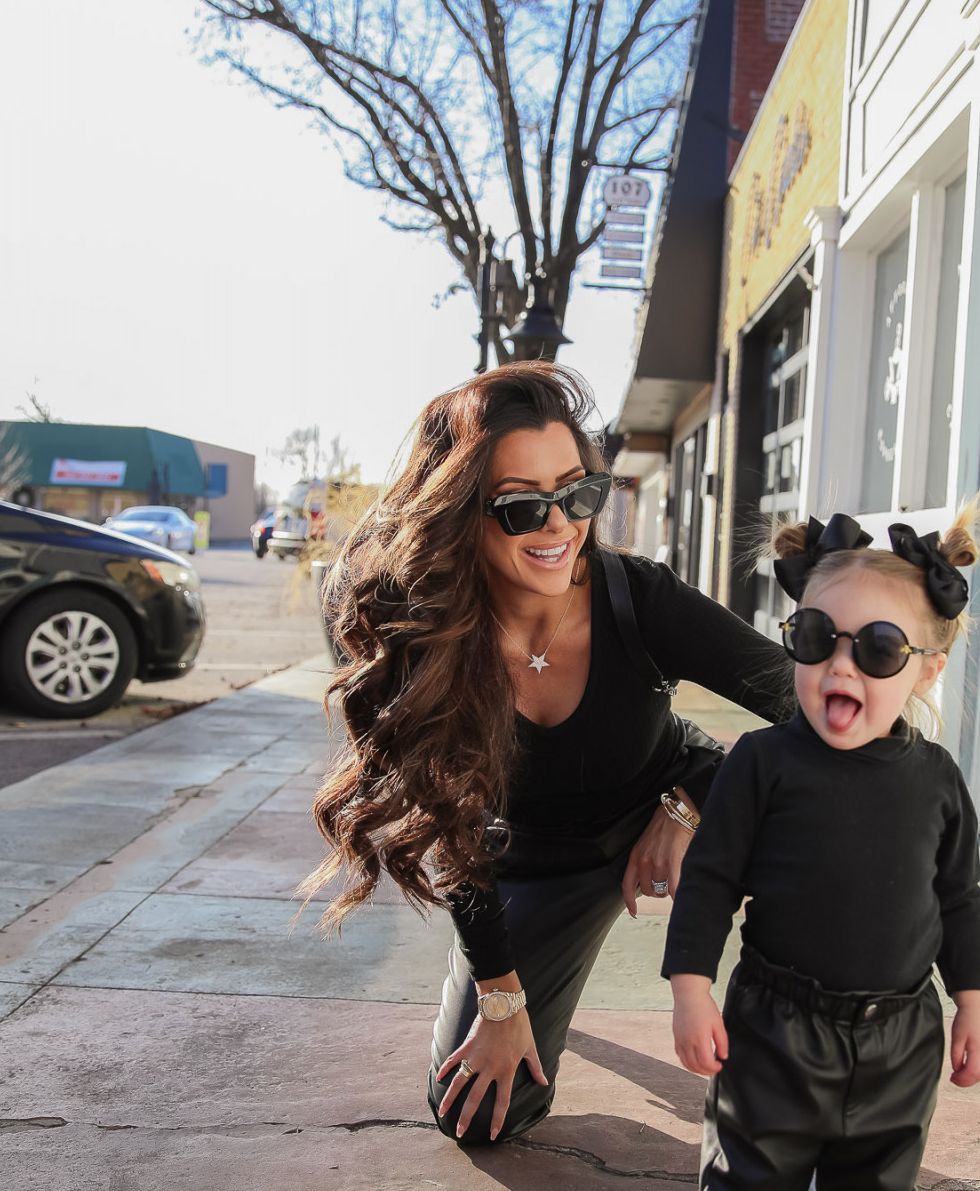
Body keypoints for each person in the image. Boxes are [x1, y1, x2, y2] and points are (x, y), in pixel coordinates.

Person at [309, 361, 795, 1147]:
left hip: (653, 793)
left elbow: (810, 707)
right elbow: (449, 830)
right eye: (520, 507)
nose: (560, 526)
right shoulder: (415, 632)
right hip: (520, 862)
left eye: (578, 494)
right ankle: (524, 979)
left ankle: (808, 1092)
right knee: (481, 1117)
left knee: (815, 810)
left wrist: (691, 800)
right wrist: (500, 995)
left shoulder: (639, 597)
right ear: (460, 514)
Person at [662, 507, 980, 1191]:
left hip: (898, 1037)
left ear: (926, 670)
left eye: (878, 649)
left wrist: (972, 1003)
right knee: (746, 1188)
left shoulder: (934, 780)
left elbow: (959, 899)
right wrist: (691, 983)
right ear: (795, 645)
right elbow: (711, 882)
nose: (840, 666)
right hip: (775, 1026)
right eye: (817, 639)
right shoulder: (764, 763)